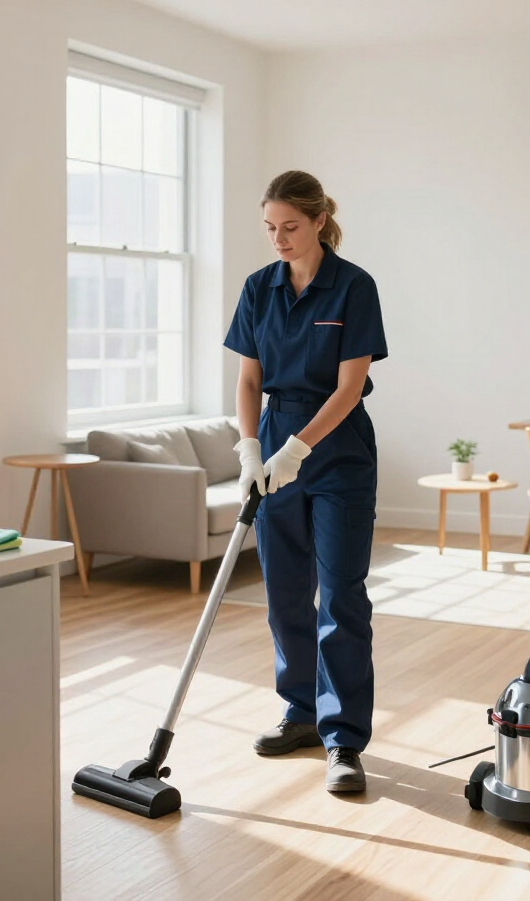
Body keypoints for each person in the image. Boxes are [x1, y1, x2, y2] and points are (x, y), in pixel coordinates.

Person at [224, 170, 388, 793]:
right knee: (285, 591)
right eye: (270, 228)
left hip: (337, 449)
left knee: (340, 594)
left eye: (290, 226)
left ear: (320, 220)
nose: (279, 239)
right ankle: (300, 713)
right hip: (273, 444)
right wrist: (249, 448)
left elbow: (349, 389)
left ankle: (343, 737)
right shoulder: (257, 288)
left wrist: (298, 448)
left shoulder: (354, 287)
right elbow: (247, 379)